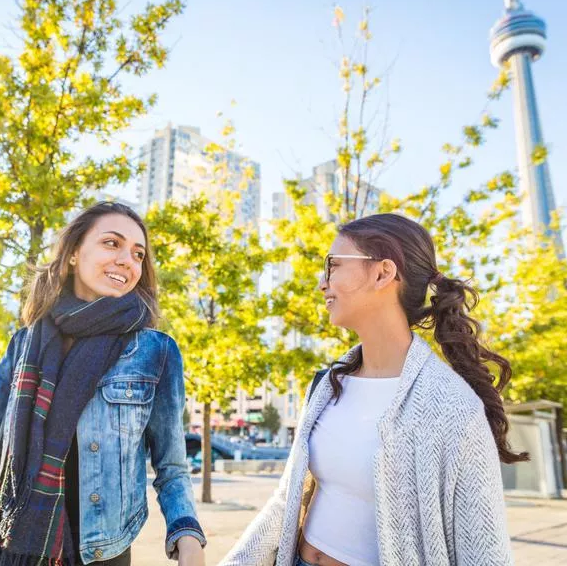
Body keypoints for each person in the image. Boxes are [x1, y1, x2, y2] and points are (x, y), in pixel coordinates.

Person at [221, 213, 527, 566]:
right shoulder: (326, 385)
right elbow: (286, 499)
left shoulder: (455, 409)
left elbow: (484, 555)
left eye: (333, 265)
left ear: (383, 273)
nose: (323, 283)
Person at [0, 202, 206, 566]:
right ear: (73, 254)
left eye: (138, 254)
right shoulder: (24, 345)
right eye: (111, 243)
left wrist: (186, 534)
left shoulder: (155, 351)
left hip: (104, 551)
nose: (128, 260)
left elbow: (171, 465)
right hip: (10, 545)